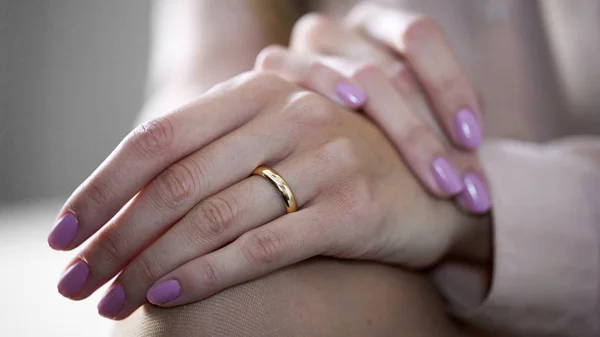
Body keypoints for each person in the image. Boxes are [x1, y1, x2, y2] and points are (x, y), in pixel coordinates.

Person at [47, 1, 600, 336]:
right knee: (202, 306)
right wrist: (297, 102)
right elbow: (195, 95)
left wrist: (460, 201)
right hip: (382, 274)